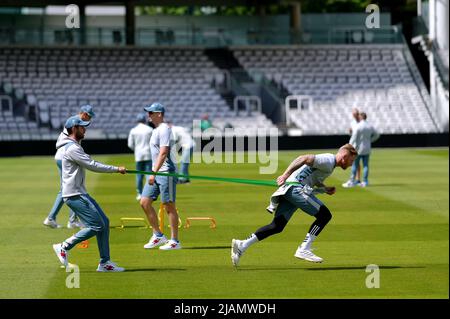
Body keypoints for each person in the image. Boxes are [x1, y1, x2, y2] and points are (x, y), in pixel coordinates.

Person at [231, 144, 358, 266]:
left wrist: (325, 188)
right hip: (296, 189)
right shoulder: (328, 160)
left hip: (289, 190)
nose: (351, 164)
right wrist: (286, 174)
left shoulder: (330, 165)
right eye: (352, 161)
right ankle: (304, 248)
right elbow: (303, 158)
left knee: (277, 226)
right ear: (344, 157)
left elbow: (313, 177)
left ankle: (242, 244)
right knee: (325, 215)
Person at [52, 115, 127, 272]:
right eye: (82, 127)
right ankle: (64, 246)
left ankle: (105, 263)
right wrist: (116, 169)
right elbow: (92, 165)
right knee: (97, 225)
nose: (85, 129)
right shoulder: (72, 148)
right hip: (74, 195)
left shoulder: (73, 145)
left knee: (104, 223)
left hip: (79, 193)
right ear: (74, 129)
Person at [43, 104, 95, 229]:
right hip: (65, 157)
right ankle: (64, 220)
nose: (90, 119)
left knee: (68, 188)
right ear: (84, 114)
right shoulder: (74, 122)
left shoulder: (76, 121)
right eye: (90, 116)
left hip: (63, 156)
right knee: (71, 188)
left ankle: (61, 218)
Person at [140, 103, 182, 250]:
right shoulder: (156, 130)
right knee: (144, 202)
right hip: (156, 172)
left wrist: (153, 173)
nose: (148, 115)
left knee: (169, 206)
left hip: (165, 173)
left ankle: (175, 241)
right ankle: (158, 235)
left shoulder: (164, 129)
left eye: (151, 113)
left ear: (159, 114)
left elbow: (164, 152)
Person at [343, 112, 380, 188]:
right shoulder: (369, 126)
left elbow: (354, 137)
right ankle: (365, 181)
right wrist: (370, 140)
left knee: (355, 165)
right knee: (365, 165)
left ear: (361, 117)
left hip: (358, 149)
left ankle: (352, 181)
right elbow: (377, 135)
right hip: (367, 148)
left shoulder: (358, 126)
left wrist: (349, 146)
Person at [128, 113, 153, 200]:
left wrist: (136, 150)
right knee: (148, 174)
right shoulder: (150, 129)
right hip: (148, 154)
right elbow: (153, 143)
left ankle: (139, 193)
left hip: (138, 155)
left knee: (139, 175)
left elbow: (130, 144)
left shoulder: (133, 130)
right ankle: (148, 193)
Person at [343, 108, 361, 187]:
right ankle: (357, 179)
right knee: (356, 162)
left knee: (354, 162)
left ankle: (352, 180)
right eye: (353, 115)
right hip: (353, 144)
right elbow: (352, 134)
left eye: (355, 114)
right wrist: (350, 132)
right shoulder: (353, 122)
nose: (354, 116)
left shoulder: (361, 123)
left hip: (357, 145)